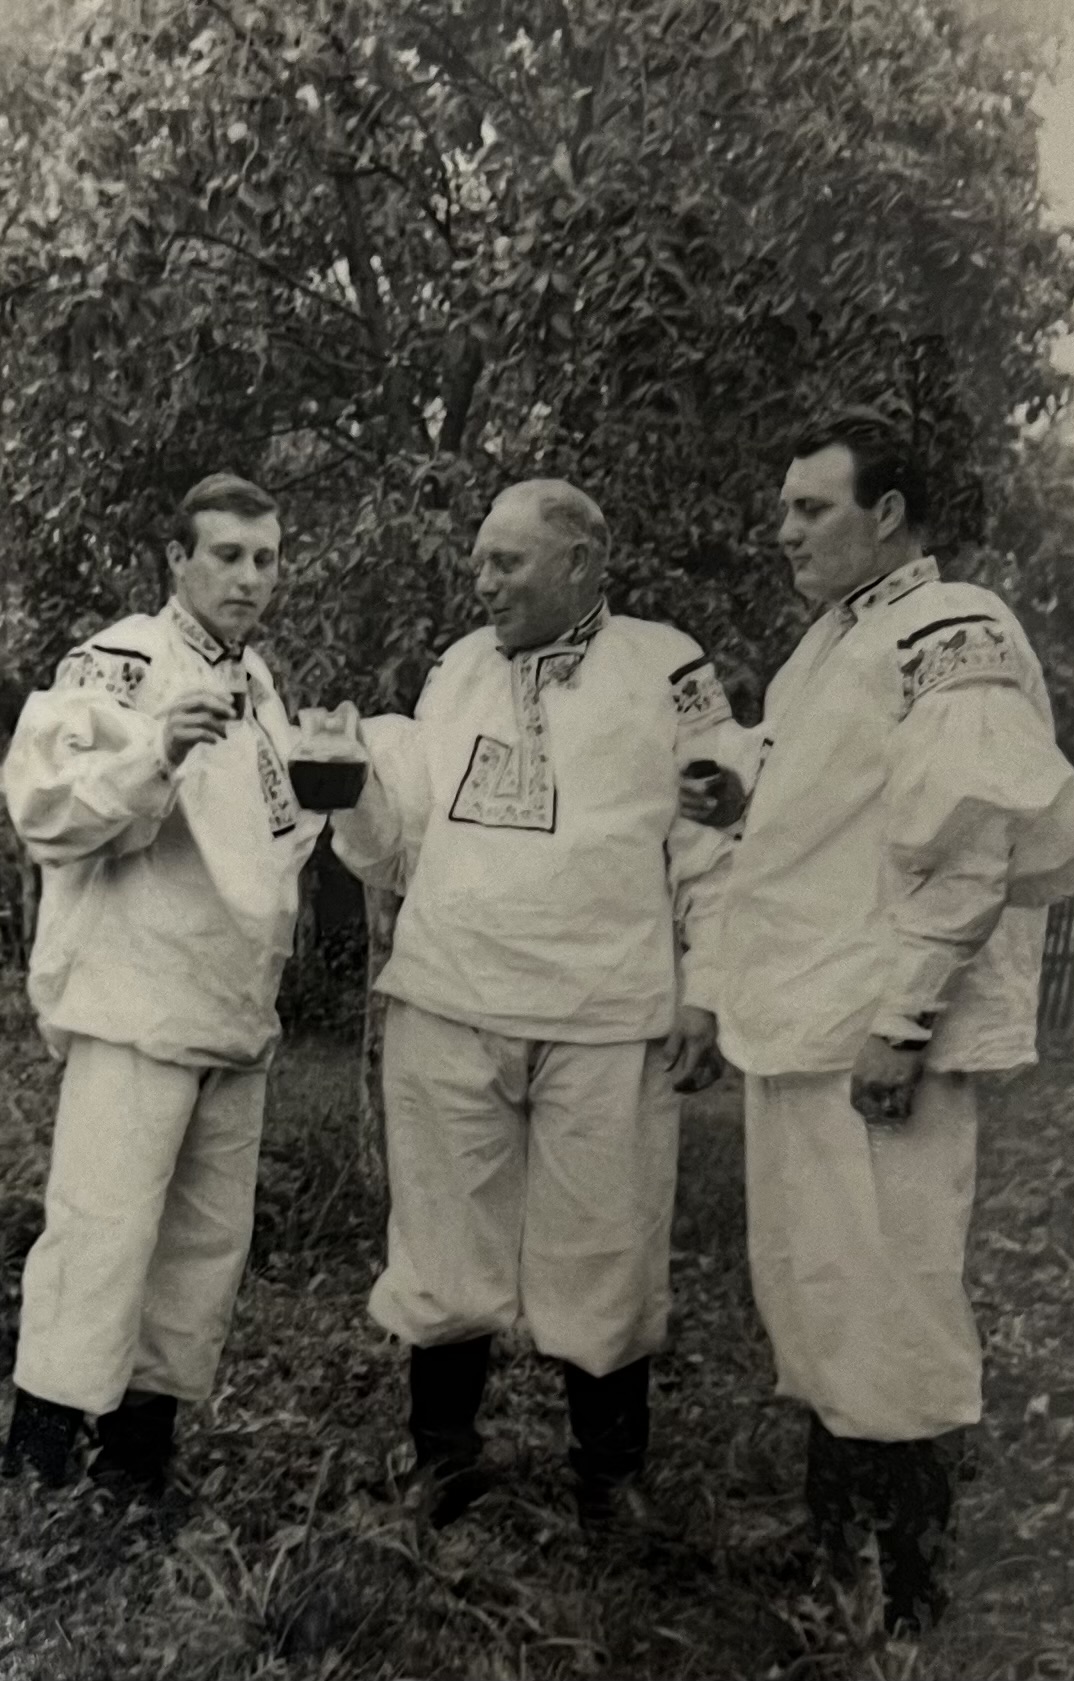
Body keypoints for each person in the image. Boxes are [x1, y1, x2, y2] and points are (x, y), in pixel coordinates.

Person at [681, 411, 1074, 1633]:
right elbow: (839, 786)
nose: (783, 531)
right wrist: (741, 780)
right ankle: (838, 1552)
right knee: (818, 1288)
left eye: (810, 508)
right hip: (806, 1013)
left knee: (894, 1296)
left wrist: (905, 1020)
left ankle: (912, 1594)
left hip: (877, 1029)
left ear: (885, 515)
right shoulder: (835, 639)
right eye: (784, 508)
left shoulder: (950, 627)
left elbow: (969, 839)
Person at [330, 478, 743, 1526]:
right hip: (448, 994)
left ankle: (608, 1473)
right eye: (478, 560)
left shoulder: (666, 664)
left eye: (506, 562)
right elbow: (397, 843)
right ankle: (443, 1457)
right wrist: (352, 786)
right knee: (443, 1232)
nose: (482, 581)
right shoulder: (457, 669)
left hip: (605, 1007)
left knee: (607, 1241)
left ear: (580, 563)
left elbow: (712, 837)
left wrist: (706, 990)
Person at [1, 473, 323, 1491]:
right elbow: (43, 807)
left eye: (265, 558)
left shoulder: (259, 682)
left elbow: (269, 841)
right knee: (101, 1231)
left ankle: (139, 1457)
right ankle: (41, 1450)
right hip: (136, 998)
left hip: (234, 1005)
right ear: (176, 559)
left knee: (201, 1246)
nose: (249, 577)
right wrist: (155, 750)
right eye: (227, 555)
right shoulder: (121, 661)